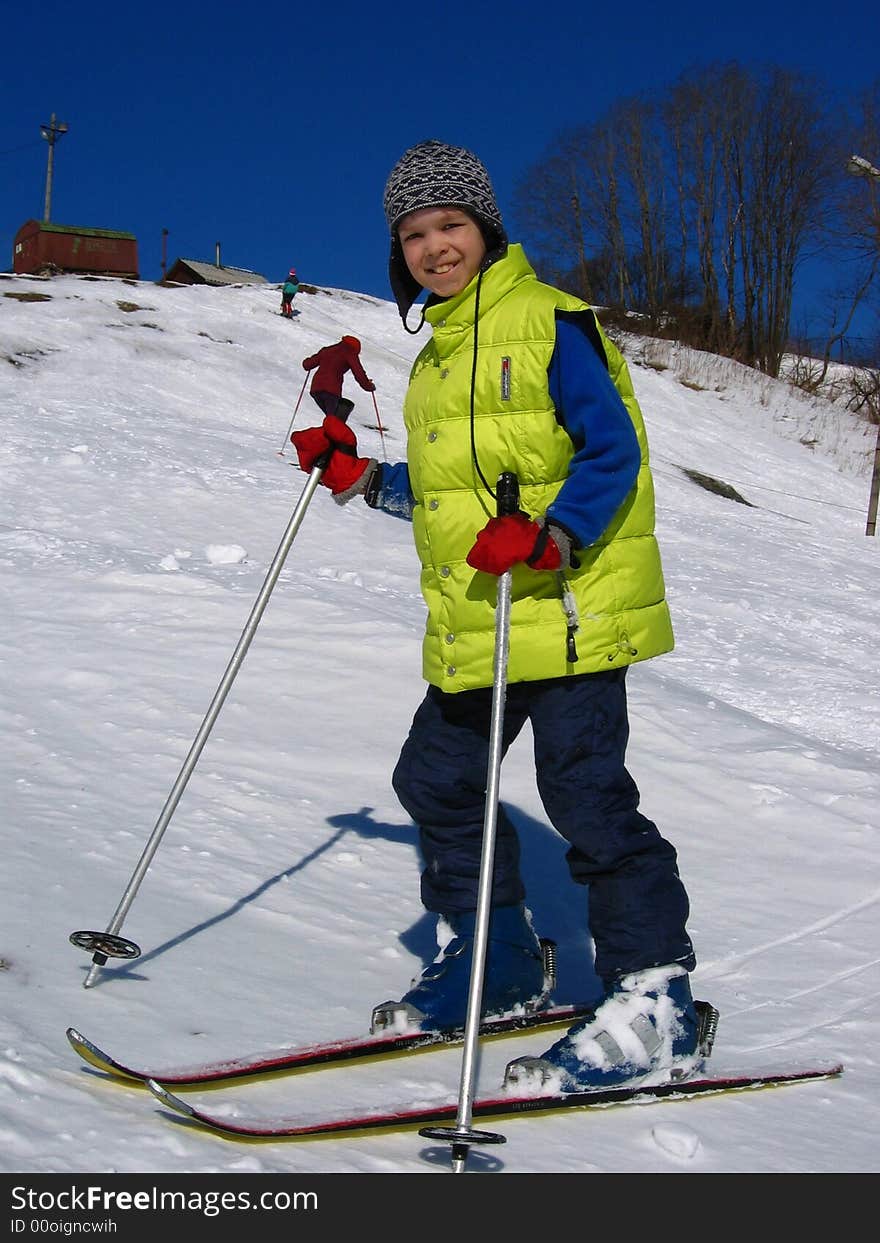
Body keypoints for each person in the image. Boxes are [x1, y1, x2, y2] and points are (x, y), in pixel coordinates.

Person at [291, 139, 714, 1095]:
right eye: (414, 234)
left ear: (486, 229)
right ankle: (500, 961)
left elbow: (613, 453)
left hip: (564, 613)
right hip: (479, 620)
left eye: (451, 225)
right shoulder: (436, 357)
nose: (435, 246)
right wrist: (361, 477)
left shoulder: (551, 320)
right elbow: (454, 495)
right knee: (434, 778)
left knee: (586, 796)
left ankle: (656, 1003)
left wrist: (556, 536)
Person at [300, 336, 375, 422]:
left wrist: (307, 361)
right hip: (331, 391)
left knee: (333, 420)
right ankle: (326, 434)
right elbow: (359, 373)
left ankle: (327, 433)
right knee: (334, 422)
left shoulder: (327, 350)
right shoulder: (350, 353)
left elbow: (307, 365)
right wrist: (369, 386)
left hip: (316, 389)